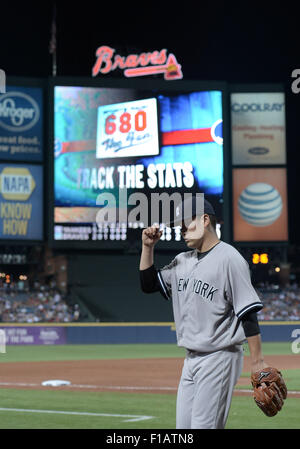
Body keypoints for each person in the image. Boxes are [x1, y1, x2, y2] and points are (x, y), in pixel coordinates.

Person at [139, 195, 268, 429]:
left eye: (186, 225)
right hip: (190, 360)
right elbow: (148, 284)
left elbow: (248, 313)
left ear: (205, 220)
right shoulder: (182, 261)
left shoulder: (230, 259)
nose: (182, 231)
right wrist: (148, 248)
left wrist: (257, 362)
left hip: (220, 356)